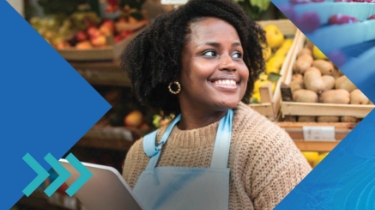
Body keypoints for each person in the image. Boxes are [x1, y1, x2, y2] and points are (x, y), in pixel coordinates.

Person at [120, 0, 312, 209]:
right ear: (172, 68)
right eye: (210, 53)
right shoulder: (141, 155)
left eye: (237, 54)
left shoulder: (264, 148)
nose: (230, 64)